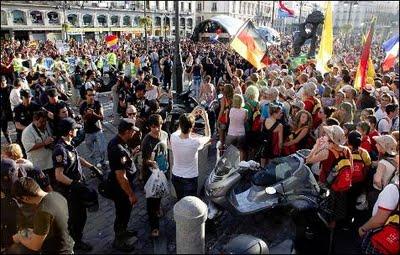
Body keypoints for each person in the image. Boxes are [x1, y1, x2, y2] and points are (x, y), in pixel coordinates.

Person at [52, 117, 98, 252]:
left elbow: (77, 158)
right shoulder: (60, 149)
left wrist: (92, 167)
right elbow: (58, 175)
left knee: (81, 216)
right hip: (71, 191)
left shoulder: (69, 144)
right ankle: (75, 243)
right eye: (75, 128)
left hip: (77, 187)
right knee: (76, 218)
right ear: (70, 131)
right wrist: (74, 184)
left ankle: (76, 239)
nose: (78, 130)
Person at [9, 177, 74, 254]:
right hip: (67, 245)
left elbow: (35, 246)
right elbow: (54, 226)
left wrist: (19, 237)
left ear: (25, 198)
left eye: (20, 200)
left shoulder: (42, 212)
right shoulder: (57, 196)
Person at [107, 118, 140, 251]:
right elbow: (121, 176)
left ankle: (123, 231)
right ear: (127, 131)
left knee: (125, 213)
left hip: (123, 187)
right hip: (121, 189)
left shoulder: (119, 142)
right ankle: (118, 241)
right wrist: (131, 195)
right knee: (122, 213)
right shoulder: (118, 148)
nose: (134, 133)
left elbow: (123, 162)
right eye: (132, 131)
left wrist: (131, 154)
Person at [171, 108, 211, 200]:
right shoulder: (195, 142)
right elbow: (208, 136)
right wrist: (206, 118)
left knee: (180, 200)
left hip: (176, 176)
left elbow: (179, 129)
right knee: (190, 204)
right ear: (192, 126)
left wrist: (191, 113)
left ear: (180, 124)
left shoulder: (173, 137)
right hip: (190, 178)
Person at [141, 114, 169, 237]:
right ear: (149, 127)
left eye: (159, 126)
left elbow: (167, 150)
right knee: (151, 201)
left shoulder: (165, 134)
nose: (157, 129)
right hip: (151, 175)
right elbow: (144, 161)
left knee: (159, 196)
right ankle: (154, 227)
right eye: (153, 127)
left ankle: (158, 208)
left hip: (162, 172)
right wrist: (152, 163)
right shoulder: (147, 141)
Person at [80, 88, 107, 168]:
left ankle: (102, 162)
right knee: (92, 152)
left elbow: (102, 117)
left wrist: (94, 113)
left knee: (103, 149)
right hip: (88, 132)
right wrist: (86, 114)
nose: (91, 97)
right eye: (89, 95)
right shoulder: (83, 106)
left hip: (98, 130)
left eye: (93, 95)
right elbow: (83, 119)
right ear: (86, 96)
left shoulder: (98, 104)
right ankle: (95, 166)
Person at [21, 110, 54, 175]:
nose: (44, 123)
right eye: (41, 122)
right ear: (34, 121)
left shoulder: (46, 125)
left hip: (50, 162)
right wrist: (44, 143)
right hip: (38, 166)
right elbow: (29, 148)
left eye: (45, 121)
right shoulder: (27, 132)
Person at [226, 94, 248, 161]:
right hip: (241, 132)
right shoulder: (245, 111)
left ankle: (231, 163)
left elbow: (228, 120)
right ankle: (240, 164)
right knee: (241, 150)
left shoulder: (231, 110)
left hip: (231, 133)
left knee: (230, 150)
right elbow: (245, 121)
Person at [1, 75, 13, 144]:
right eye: (1, 82)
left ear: (5, 81)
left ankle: (19, 138)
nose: (2, 83)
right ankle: (9, 142)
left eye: (3, 81)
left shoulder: (11, 88)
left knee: (17, 123)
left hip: (11, 109)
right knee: (4, 128)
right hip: (3, 111)